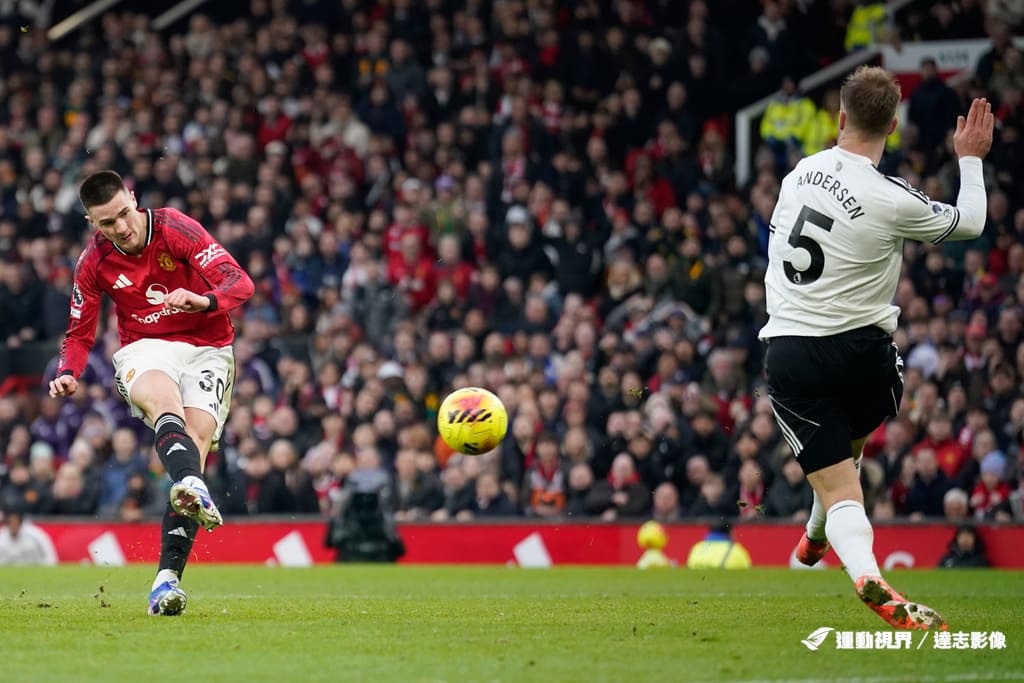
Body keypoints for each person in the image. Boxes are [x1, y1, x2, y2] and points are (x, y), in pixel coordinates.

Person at [760, 66, 993, 630]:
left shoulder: (798, 175)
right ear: (893, 125)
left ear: (839, 118)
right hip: (865, 357)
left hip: (792, 350)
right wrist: (971, 158)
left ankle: (862, 568)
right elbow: (971, 224)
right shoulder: (894, 199)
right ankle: (817, 536)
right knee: (849, 447)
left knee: (839, 482)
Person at [48, 171, 254, 615]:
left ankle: (165, 582)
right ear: (91, 223)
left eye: (124, 214)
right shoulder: (93, 262)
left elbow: (240, 282)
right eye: (107, 223)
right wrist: (68, 372)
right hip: (146, 348)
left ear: (134, 199)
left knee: (195, 440)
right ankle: (192, 483)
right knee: (165, 403)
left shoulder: (176, 228)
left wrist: (204, 301)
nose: (121, 227)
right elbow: (78, 335)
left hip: (209, 348)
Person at [0, 500, 58, 566]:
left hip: (36, 573)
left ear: (20, 520)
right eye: (10, 521)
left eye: (15, 521)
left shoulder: (36, 535)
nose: (13, 524)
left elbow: (51, 559)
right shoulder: (1, 536)